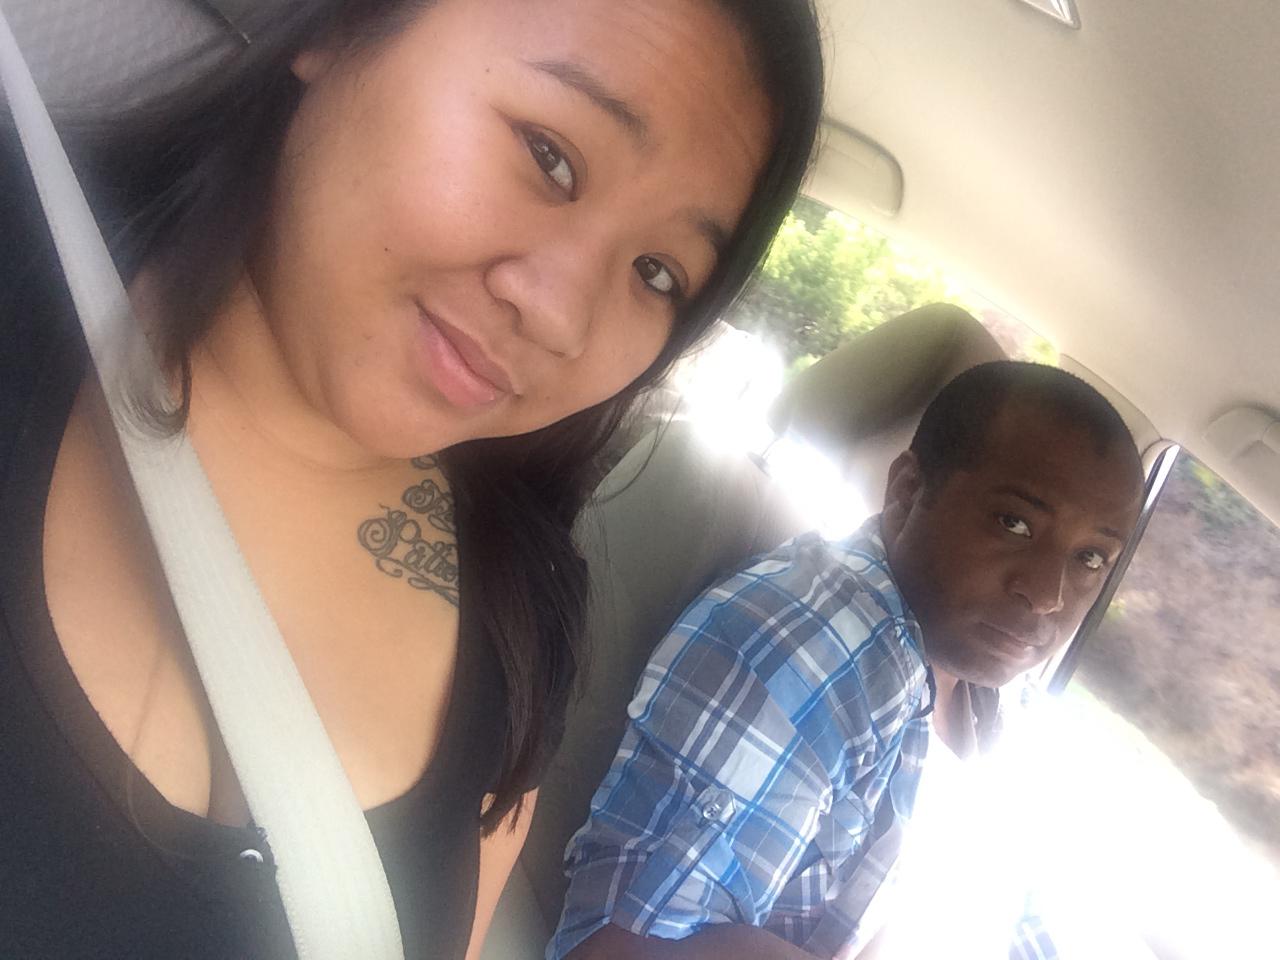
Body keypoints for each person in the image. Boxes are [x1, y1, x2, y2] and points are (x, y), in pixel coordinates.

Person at [0, 1, 823, 957]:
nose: (561, 316)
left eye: (656, 272)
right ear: (341, 27)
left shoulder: (525, 624)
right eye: (550, 156)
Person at [550, 361, 1146, 960]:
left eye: (1091, 558)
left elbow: (1011, 906)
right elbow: (619, 951)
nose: (1048, 594)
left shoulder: (989, 691)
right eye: (1014, 523)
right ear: (908, 492)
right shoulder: (818, 646)